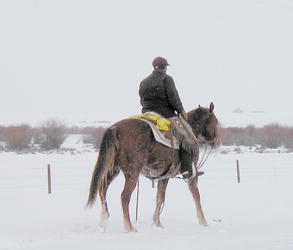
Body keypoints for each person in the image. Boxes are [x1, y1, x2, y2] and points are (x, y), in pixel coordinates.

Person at [139, 56, 200, 179]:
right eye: (166, 66)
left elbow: (142, 100)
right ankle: (186, 170)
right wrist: (181, 110)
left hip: (147, 114)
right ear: (164, 67)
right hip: (165, 113)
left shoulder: (143, 82)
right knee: (188, 137)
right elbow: (174, 97)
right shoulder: (167, 79)